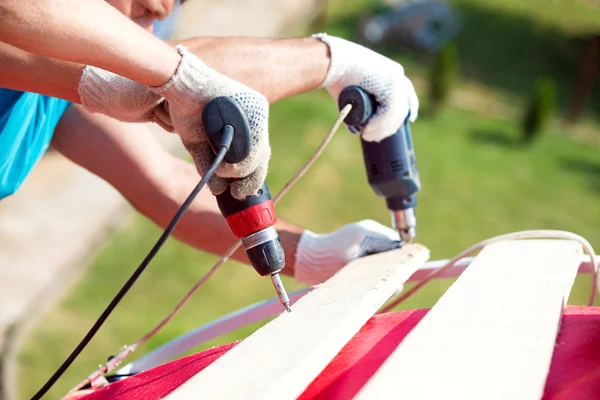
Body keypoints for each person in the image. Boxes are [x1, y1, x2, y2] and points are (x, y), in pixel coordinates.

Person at [0, 0, 419, 286]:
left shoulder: (52, 96)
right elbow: (140, 81)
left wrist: (310, 254)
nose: (163, 8)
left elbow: (162, 180)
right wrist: (334, 61)